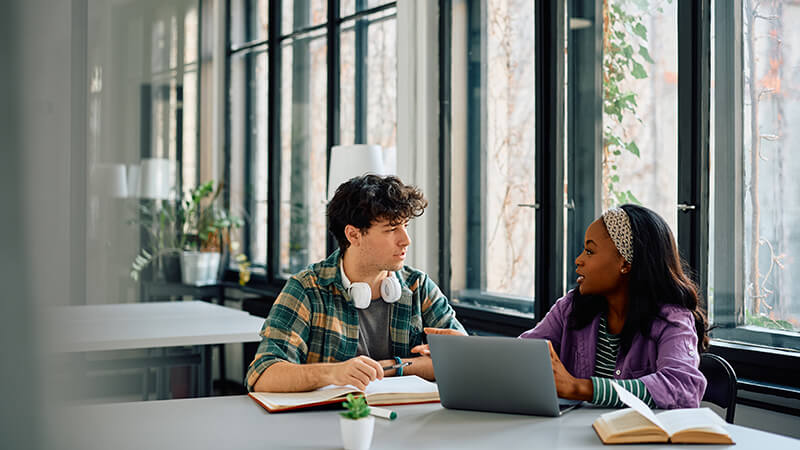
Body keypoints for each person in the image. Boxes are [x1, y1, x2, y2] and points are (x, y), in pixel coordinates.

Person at [247, 174, 466, 392]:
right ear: (353, 235)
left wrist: (390, 367)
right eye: (391, 229)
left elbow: (460, 361)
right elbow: (263, 375)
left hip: (407, 420)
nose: (405, 240)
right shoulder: (307, 288)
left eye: (405, 226)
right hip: (328, 422)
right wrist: (334, 373)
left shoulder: (418, 286)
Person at [519, 204, 708, 409]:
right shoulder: (570, 308)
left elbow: (683, 387)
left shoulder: (672, 319)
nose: (578, 260)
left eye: (590, 251)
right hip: (573, 436)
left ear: (625, 263)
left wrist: (580, 388)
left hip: (640, 439)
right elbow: (520, 357)